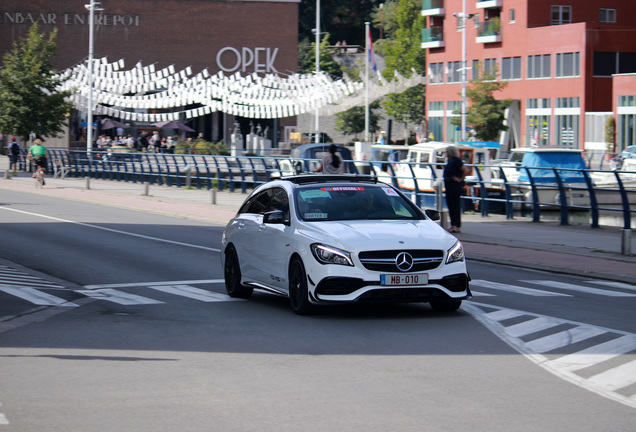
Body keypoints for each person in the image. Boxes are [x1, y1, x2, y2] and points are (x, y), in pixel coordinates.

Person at [443, 145, 469, 233]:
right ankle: (453, 225)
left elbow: (465, 170)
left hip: (454, 186)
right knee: (450, 205)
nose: (445, 154)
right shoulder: (449, 161)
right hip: (449, 185)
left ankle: (457, 226)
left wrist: (460, 179)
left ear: (450, 153)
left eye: (446, 152)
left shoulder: (456, 161)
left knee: (455, 206)